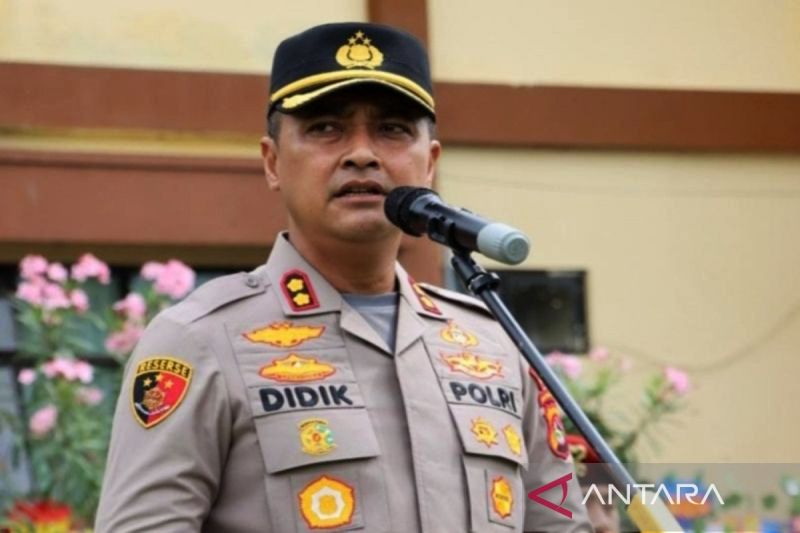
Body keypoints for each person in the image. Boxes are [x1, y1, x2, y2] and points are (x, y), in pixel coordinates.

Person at [95, 22, 592, 532]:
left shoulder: (494, 344)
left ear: (429, 164)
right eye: (325, 128)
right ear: (272, 162)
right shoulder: (200, 340)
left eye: (392, 129)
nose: (361, 153)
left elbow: (558, 521)